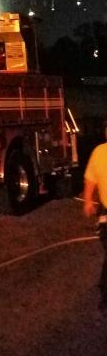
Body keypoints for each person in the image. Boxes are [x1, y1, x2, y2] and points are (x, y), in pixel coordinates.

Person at [83, 125, 107, 313]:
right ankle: (105, 298)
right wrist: (88, 200)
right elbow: (91, 178)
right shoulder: (99, 153)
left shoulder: (99, 152)